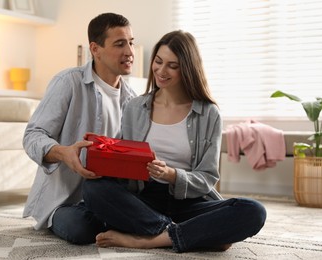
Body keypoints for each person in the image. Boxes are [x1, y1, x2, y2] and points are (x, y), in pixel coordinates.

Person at [82, 30, 267, 253]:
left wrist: (172, 175)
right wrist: (103, 155)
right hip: (144, 200)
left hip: (191, 201)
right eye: (158, 61)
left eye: (172, 65)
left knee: (253, 211)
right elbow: (124, 159)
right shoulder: (135, 107)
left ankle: (150, 239)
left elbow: (207, 177)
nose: (161, 70)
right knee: (93, 189)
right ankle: (191, 234)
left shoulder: (208, 114)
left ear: (187, 68)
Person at [22, 13, 136, 244]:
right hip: (66, 201)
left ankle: (116, 220)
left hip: (107, 195)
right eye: (120, 44)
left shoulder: (132, 100)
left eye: (131, 43)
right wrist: (63, 153)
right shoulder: (68, 82)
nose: (130, 52)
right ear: (95, 49)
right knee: (80, 229)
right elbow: (32, 136)